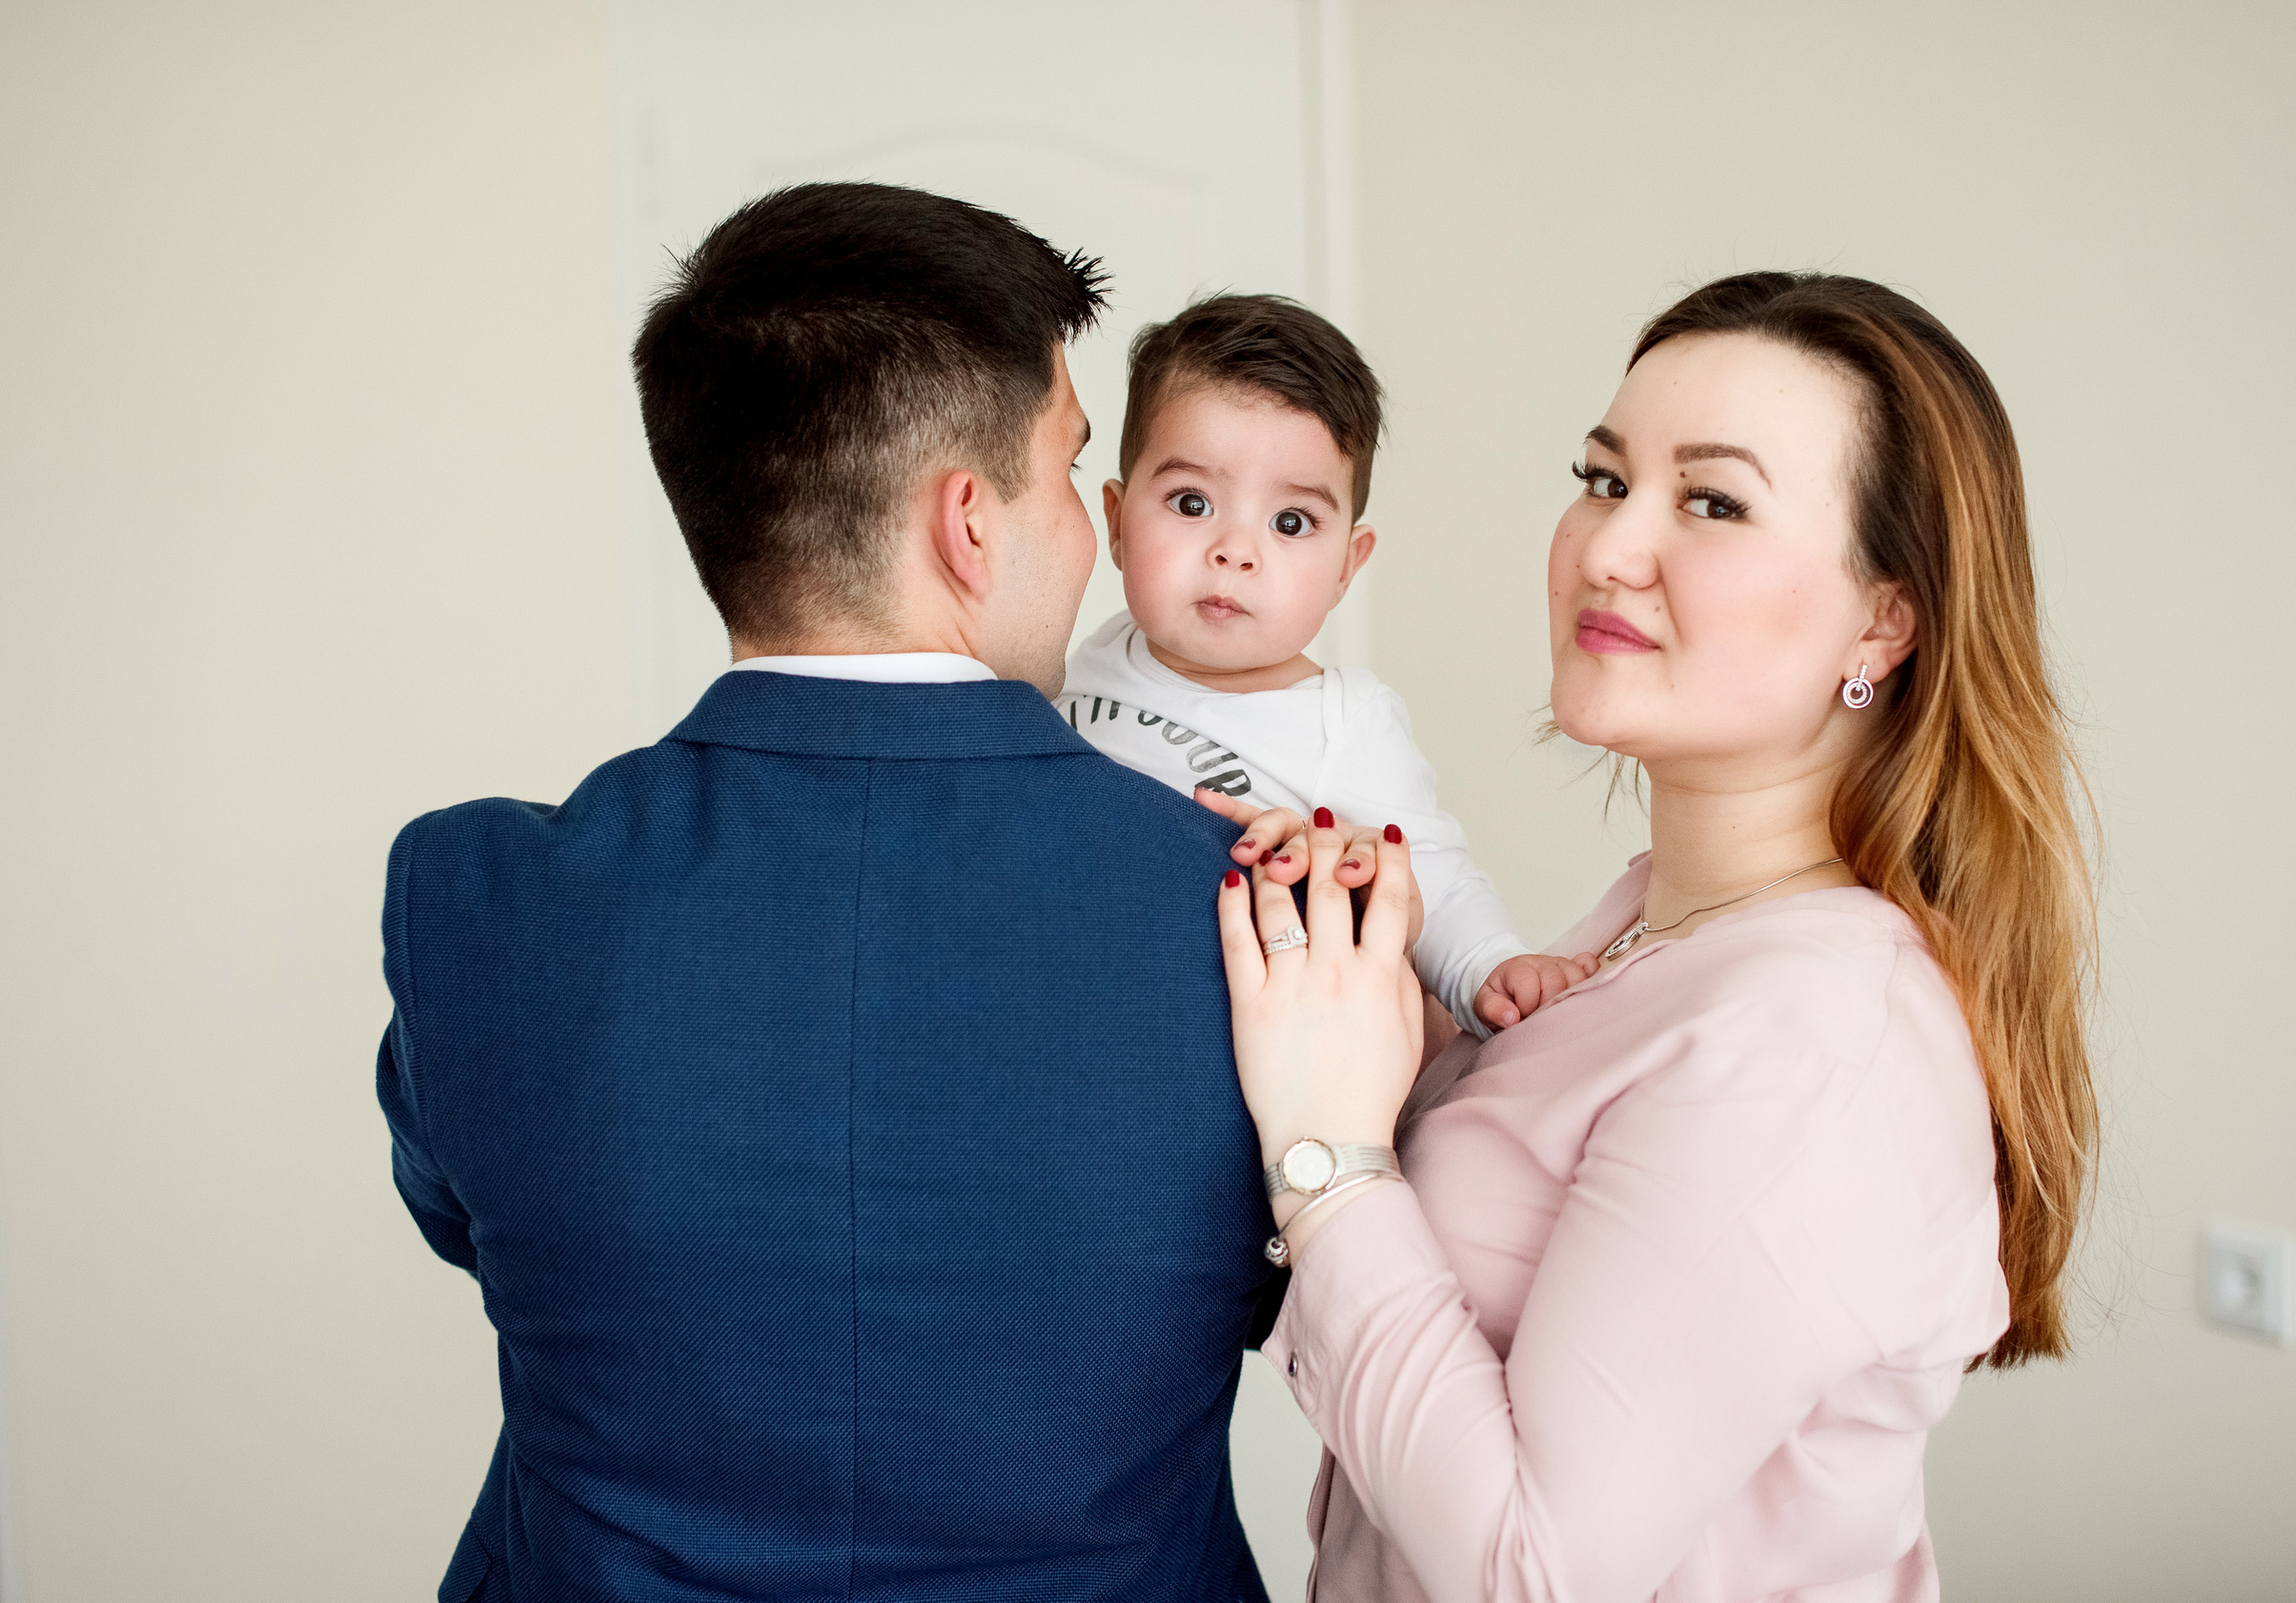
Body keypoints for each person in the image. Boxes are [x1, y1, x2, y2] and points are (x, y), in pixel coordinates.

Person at [376, 183, 1279, 1602]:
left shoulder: (478, 898)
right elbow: (1276, 1284)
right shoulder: (1245, 903)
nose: (1091, 537)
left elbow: (467, 1218)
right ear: (969, 524)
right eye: (1068, 472)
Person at [1213, 273, 2099, 1600]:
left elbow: (1535, 1575)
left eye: (1713, 502)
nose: (1610, 547)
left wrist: (1331, 1157)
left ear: (1886, 619)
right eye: (1602, 476)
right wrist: (1382, 1014)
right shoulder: (1646, 925)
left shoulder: (1812, 1035)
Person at [1058, 294, 1595, 1038]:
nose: (1235, 550)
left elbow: (1428, 875)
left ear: (1348, 565)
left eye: (1290, 522)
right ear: (1116, 523)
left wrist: (1489, 967)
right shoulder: (1089, 656)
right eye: (1190, 502)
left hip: (1238, 1039)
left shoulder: (1343, 723)